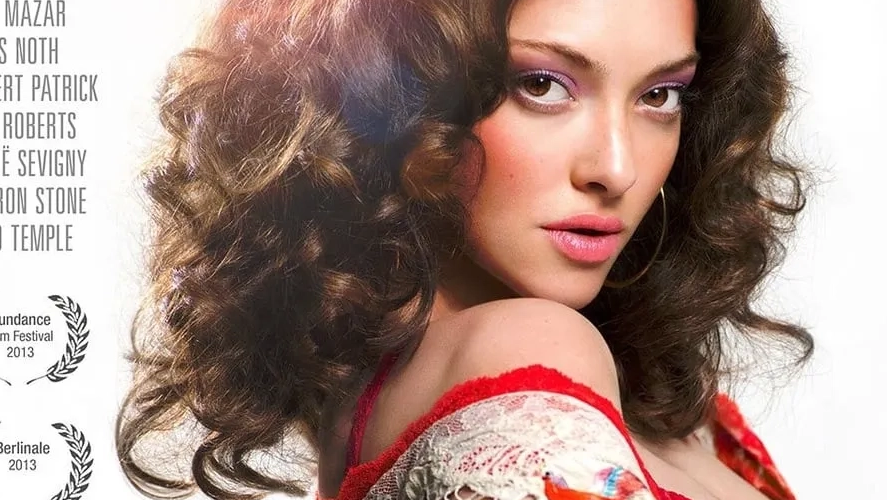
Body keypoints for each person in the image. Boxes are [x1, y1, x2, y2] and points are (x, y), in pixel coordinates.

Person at [116, 0, 813, 499]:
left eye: (659, 95)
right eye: (542, 85)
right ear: (399, 93)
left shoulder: (388, 392)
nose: (617, 168)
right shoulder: (528, 349)